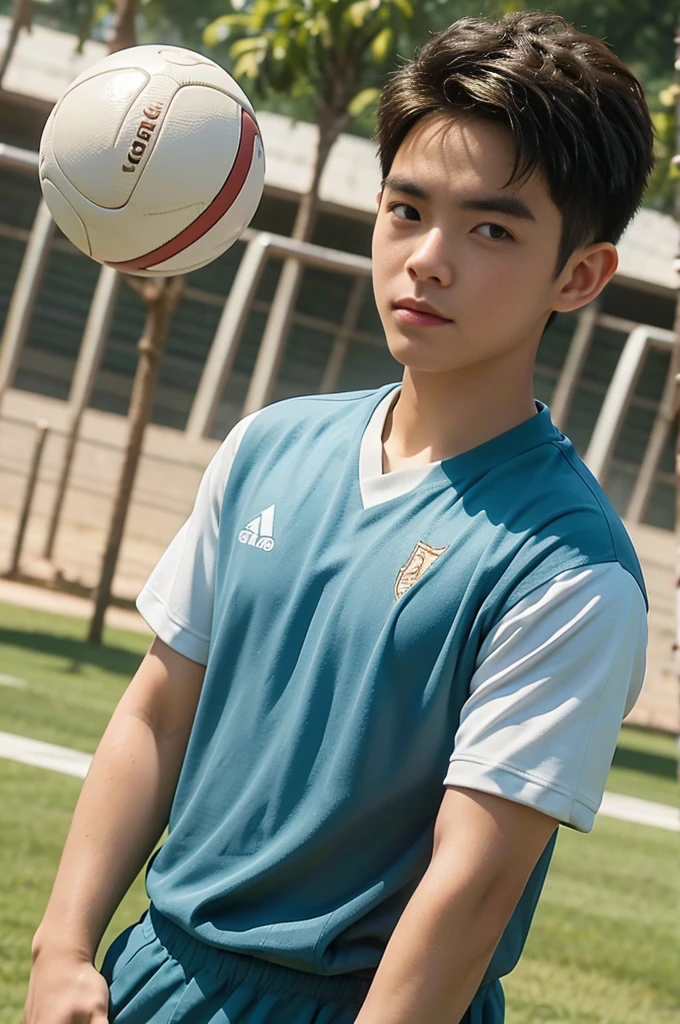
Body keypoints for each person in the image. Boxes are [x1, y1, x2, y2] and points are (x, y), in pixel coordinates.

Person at [25, 10, 653, 1024]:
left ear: (577, 275)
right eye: (406, 209)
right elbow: (157, 707)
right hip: (155, 972)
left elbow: (470, 891)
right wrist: (63, 944)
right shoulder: (268, 446)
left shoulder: (568, 568)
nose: (427, 259)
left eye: (490, 229)